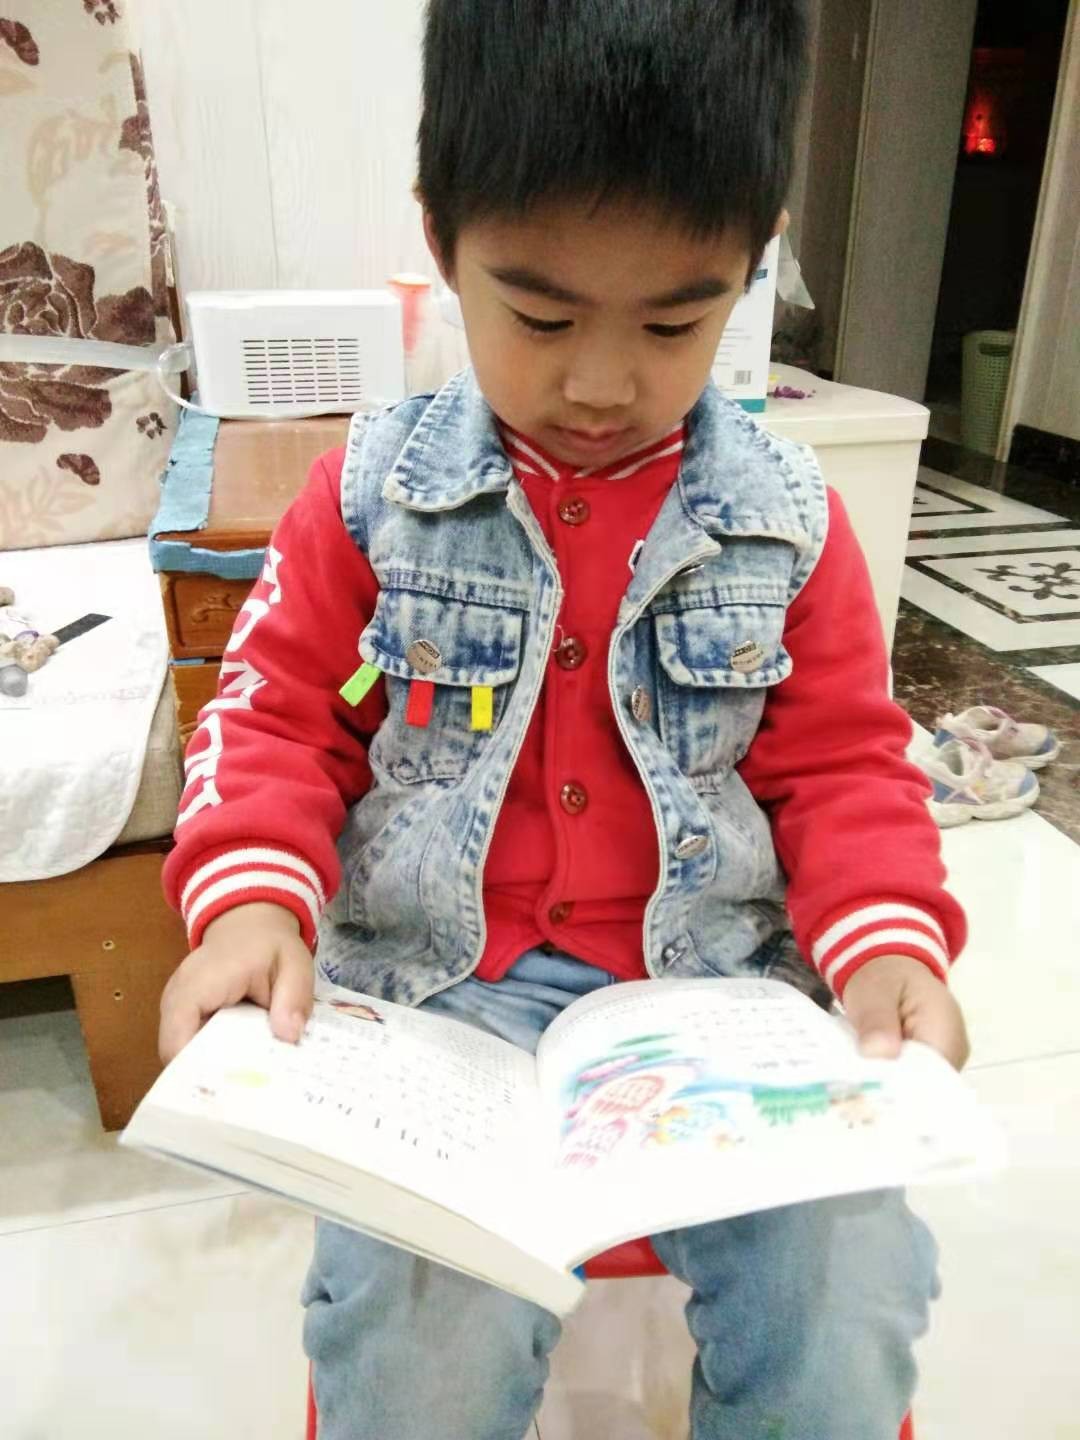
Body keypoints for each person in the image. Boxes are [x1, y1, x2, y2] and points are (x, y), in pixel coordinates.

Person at [158, 2, 969, 1435]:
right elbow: (279, 717)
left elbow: (848, 764)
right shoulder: (371, 497)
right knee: (421, 1321)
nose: (601, 383)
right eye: (540, 317)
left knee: (850, 1280)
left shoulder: (788, 521)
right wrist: (252, 905)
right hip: (440, 1000)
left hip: (719, 996)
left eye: (674, 323)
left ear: (754, 261)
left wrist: (890, 943)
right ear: (439, 235)